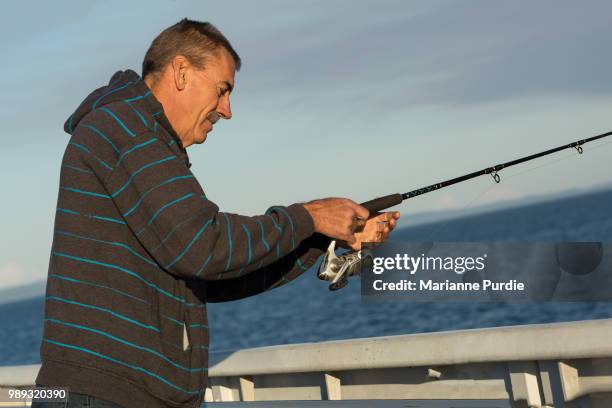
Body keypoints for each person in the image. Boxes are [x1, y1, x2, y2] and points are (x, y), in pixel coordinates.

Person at [34, 18, 400, 408]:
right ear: (180, 71)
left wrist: (320, 238)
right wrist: (309, 216)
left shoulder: (137, 136)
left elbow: (213, 275)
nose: (227, 110)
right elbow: (203, 245)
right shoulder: (126, 128)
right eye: (222, 90)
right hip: (104, 394)